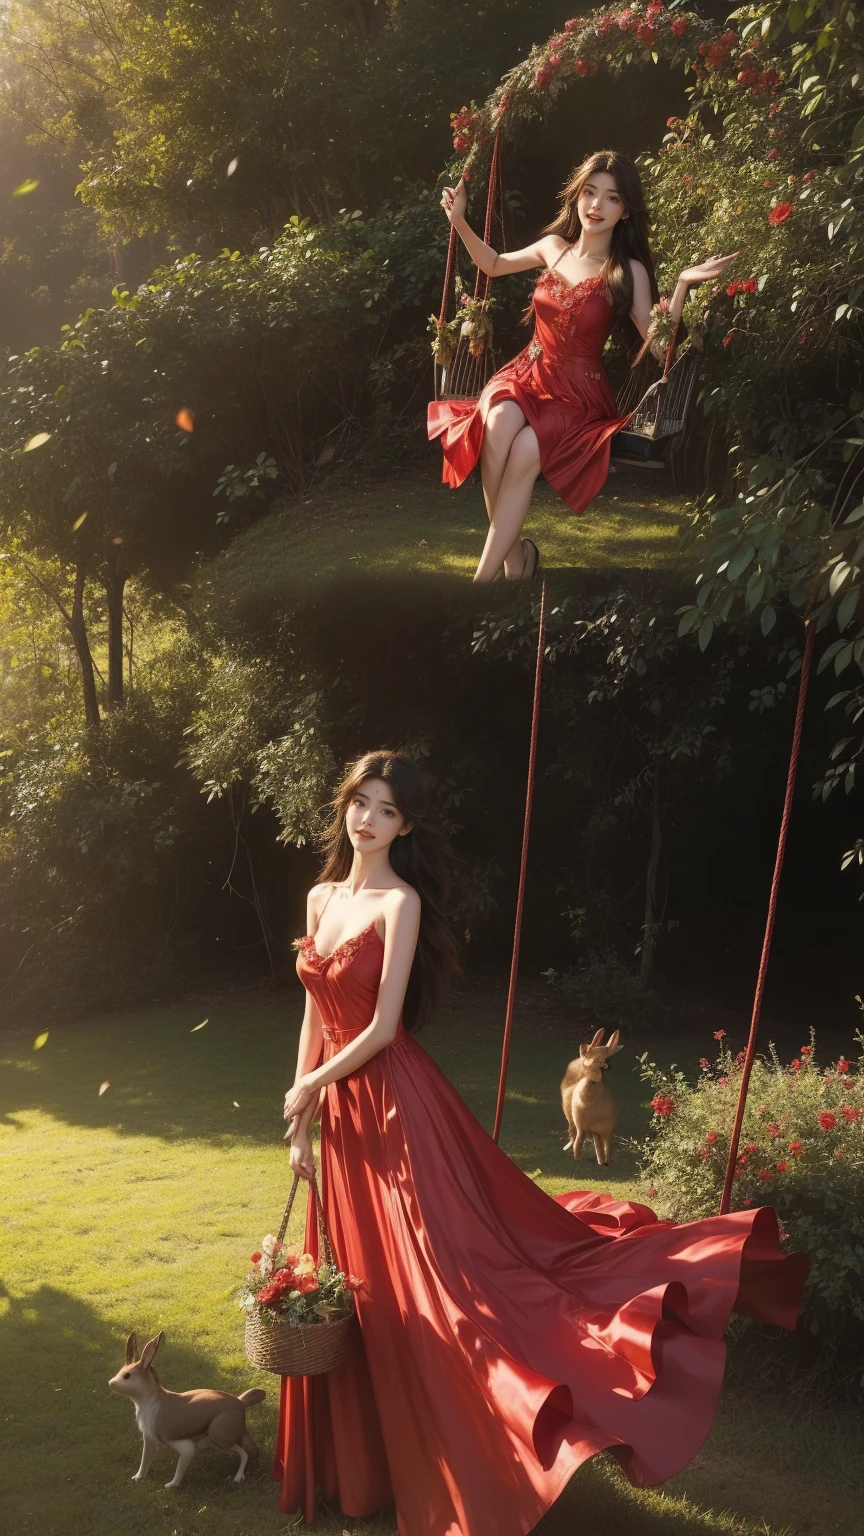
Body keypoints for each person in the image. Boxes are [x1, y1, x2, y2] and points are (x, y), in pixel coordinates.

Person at [276, 749, 807, 1534]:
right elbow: (317, 1013)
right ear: (344, 803)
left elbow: (385, 1028)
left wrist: (319, 1084)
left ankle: (477, 1451)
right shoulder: (322, 896)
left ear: (407, 825)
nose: (368, 820)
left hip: (395, 1106)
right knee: (364, 1281)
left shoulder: (400, 902)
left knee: (436, 1278)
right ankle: (366, 1467)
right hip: (342, 1111)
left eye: (387, 810)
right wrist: (301, 1109)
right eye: (361, 801)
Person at [427, 149, 738, 583]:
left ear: (625, 209)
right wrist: (458, 220)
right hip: (526, 374)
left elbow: (658, 345)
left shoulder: (627, 272)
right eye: (590, 193)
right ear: (576, 197)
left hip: (577, 394)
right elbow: (492, 264)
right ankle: (515, 562)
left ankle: (481, 584)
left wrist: (683, 284)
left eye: (611, 198)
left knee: (525, 451)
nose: (597, 205)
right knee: (496, 426)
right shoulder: (552, 249)